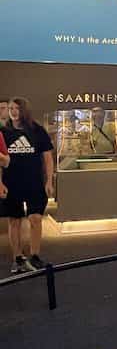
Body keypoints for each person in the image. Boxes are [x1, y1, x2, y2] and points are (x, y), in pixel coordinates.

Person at [1, 97, 55, 274]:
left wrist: (49, 181)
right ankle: (17, 258)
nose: (13, 111)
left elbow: (48, 157)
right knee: (14, 220)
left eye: (17, 108)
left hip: (34, 183)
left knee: (35, 219)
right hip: (12, 183)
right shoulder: (4, 132)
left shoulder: (37, 130)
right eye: (10, 108)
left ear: (24, 110)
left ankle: (35, 255)